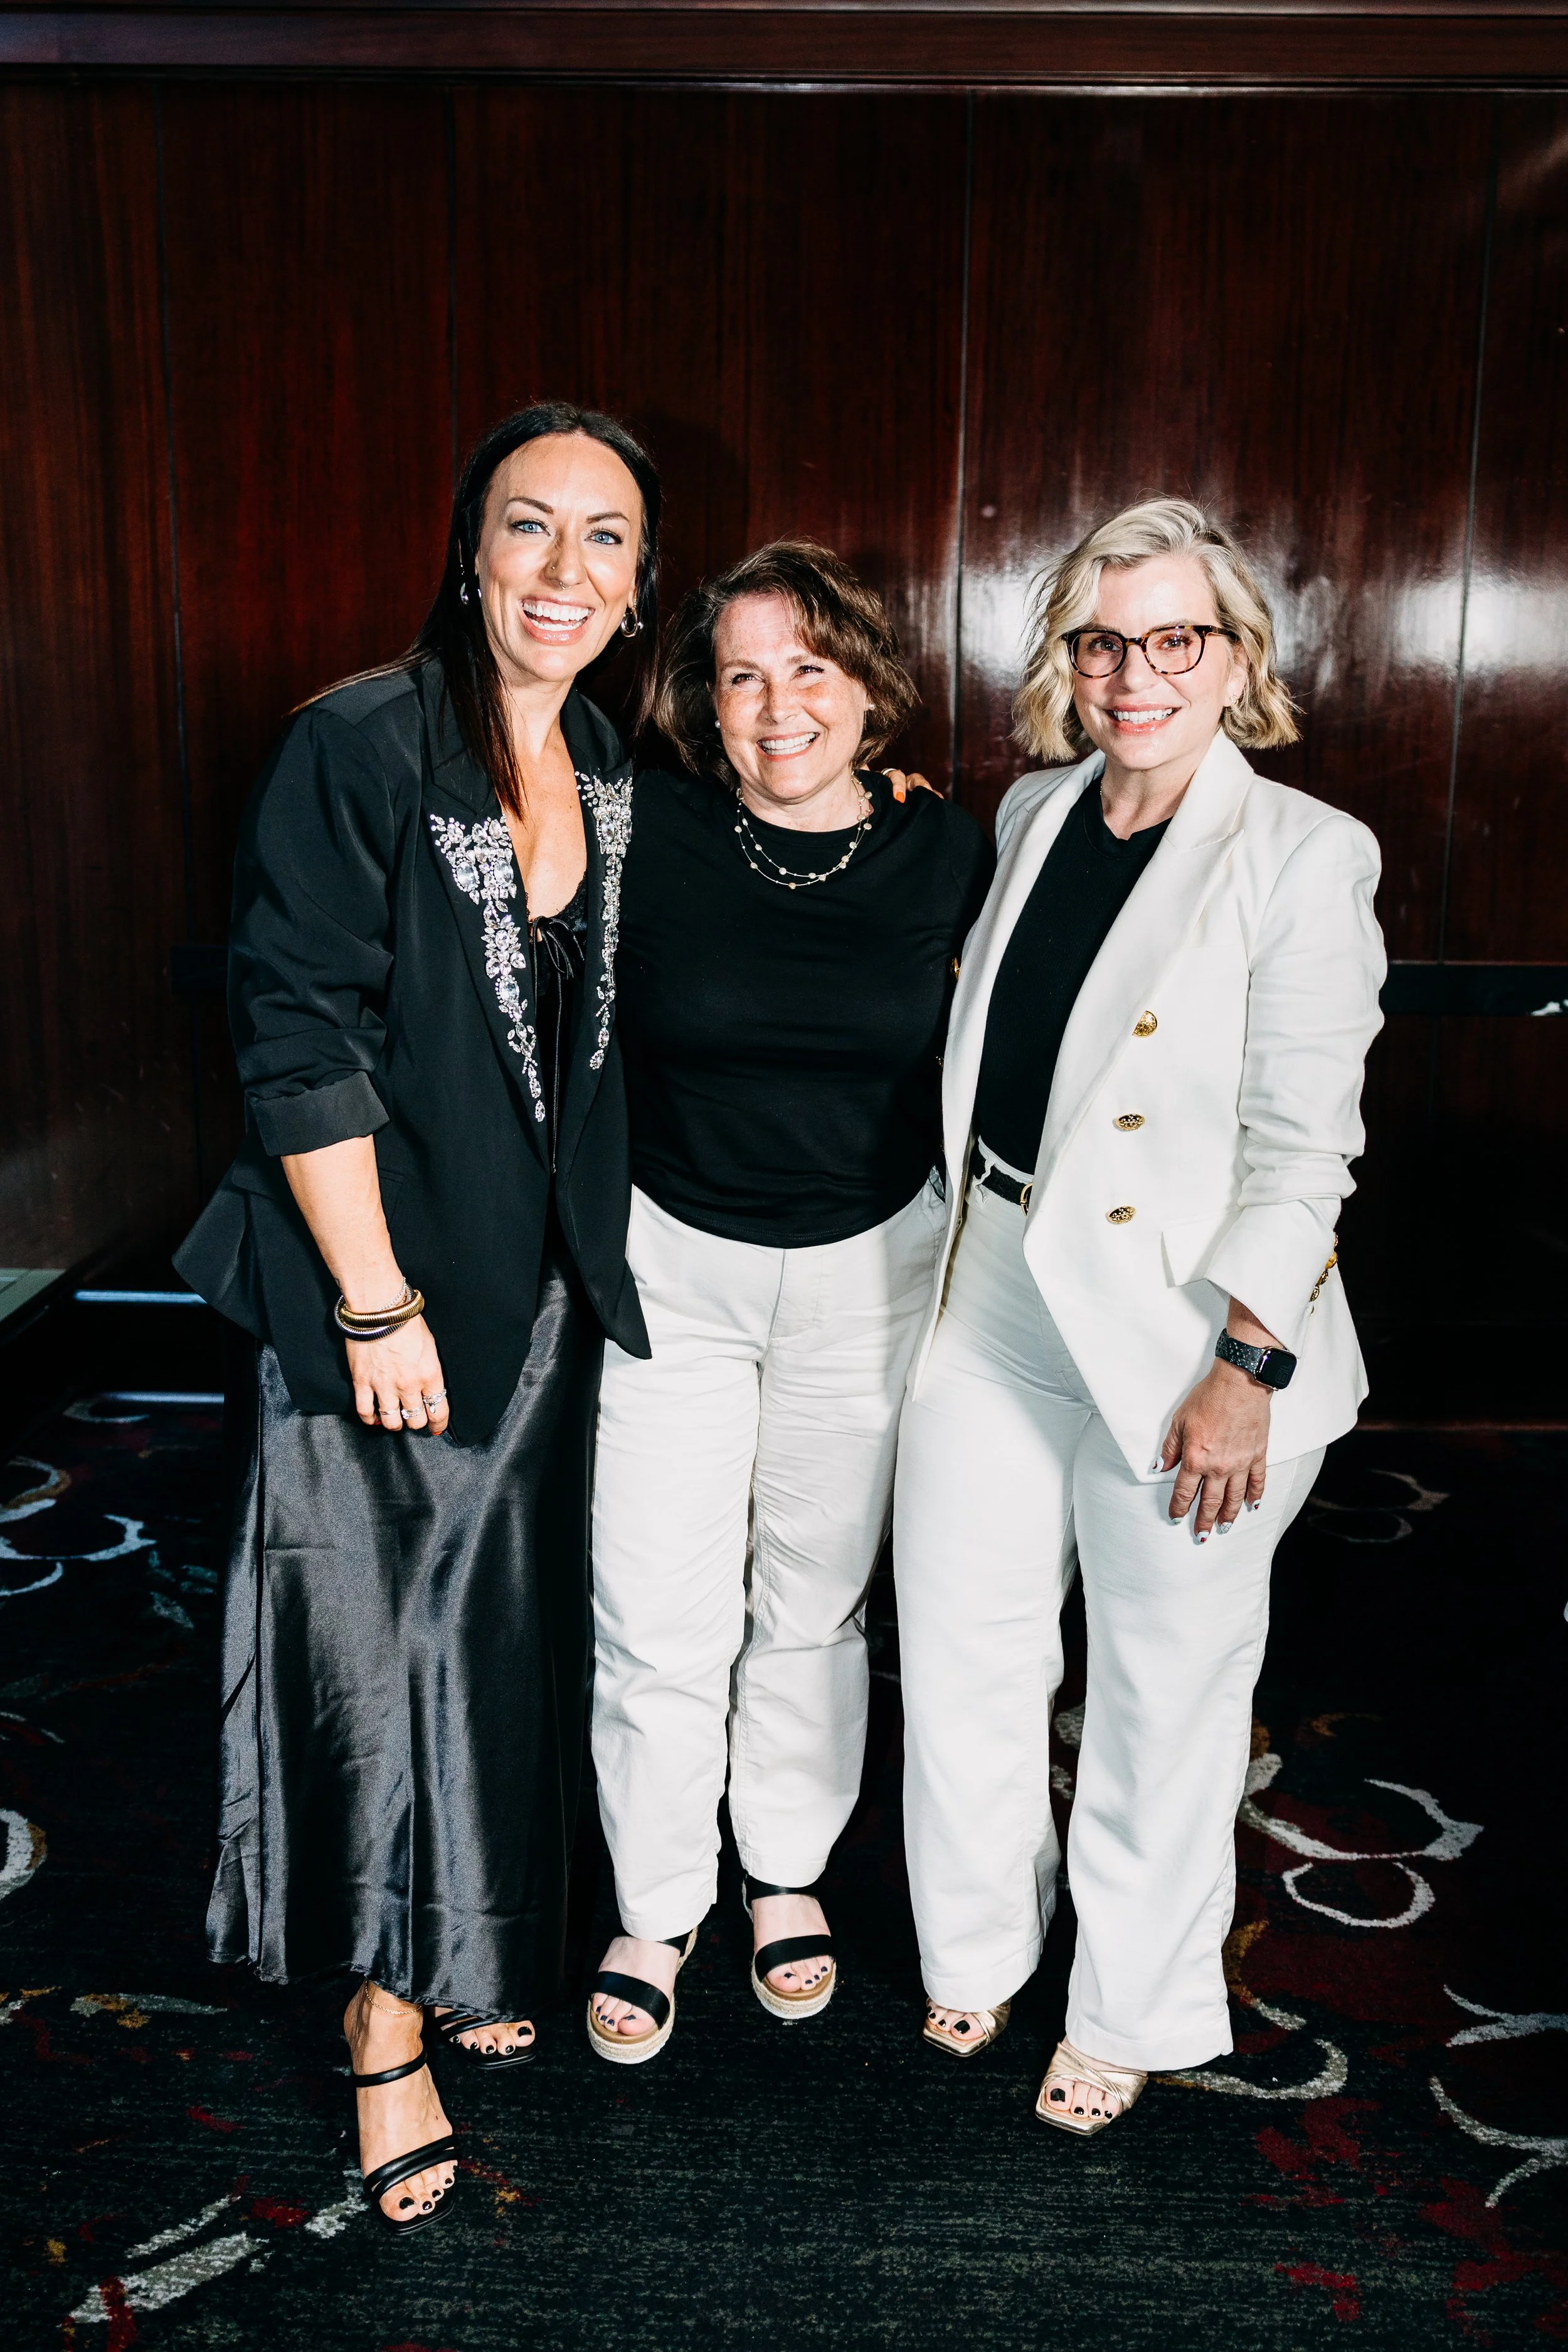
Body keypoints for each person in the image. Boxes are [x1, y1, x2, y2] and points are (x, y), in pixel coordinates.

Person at [174, 403, 660, 2230]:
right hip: (381, 1289)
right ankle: (384, 2025)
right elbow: (294, 1034)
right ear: (467, 551)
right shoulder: (360, 742)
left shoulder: (599, 753)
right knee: (383, 1657)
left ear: (638, 584)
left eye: (604, 538)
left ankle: (458, 1942)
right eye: (528, 526)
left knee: (493, 1647)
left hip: (533, 1296)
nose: (562, 568)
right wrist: (376, 1305)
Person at [894, 498, 1384, 2131]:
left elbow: (1305, 1146)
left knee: (1161, 1687)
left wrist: (1246, 1365)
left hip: (1185, 1330)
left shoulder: (1302, 851)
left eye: (1175, 639)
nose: (1134, 674)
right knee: (960, 1642)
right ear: (1065, 656)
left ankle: (1127, 2005)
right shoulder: (1031, 808)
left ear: (1235, 657)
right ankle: (976, 1942)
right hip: (993, 1278)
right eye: (1102, 641)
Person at [585, 543, 993, 2060]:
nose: (776, 707)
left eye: (809, 669)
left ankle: (783, 1873)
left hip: (867, 1272)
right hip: (671, 1267)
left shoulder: (948, 852)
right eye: (741, 675)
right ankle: (655, 1901)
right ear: (703, 701)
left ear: (868, 685)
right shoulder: (643, 827)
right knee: (654, 1607)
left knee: (811, 1604)